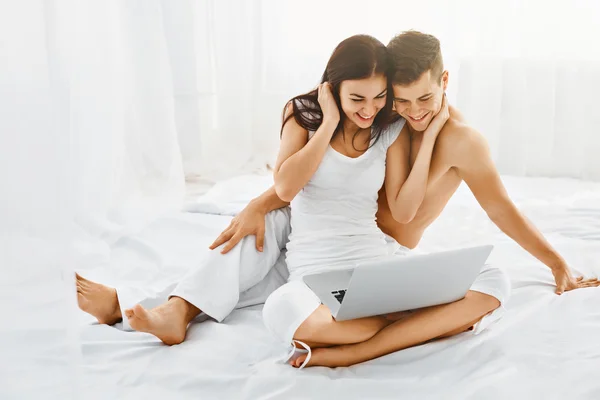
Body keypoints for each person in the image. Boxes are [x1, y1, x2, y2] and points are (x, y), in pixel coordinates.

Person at [210, 31, 600, 368]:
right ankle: (424, 324)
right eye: (402, 99)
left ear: (445, 81)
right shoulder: (381, 117)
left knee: (496, 282)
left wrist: (557, 264)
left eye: (426, 99)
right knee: (275, 296)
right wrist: (259, 203)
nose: (414, 112)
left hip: (386, 258)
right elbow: (325, 178)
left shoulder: (460, 140)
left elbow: (499, 208)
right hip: (327, 253)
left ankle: (360, 351)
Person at [76, 34, 440, 346]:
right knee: (251, 232)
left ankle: (138, 306)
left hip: (342, 247)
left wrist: (428, 133)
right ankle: (169, 312)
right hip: (300, 232)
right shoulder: (303, 114)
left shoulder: (387, 126)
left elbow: (401, 204)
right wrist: (329, 123)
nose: (369, 109)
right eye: (357, 99)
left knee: (243, 280)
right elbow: (285, 186)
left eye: (378, 97)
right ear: (331, 88)